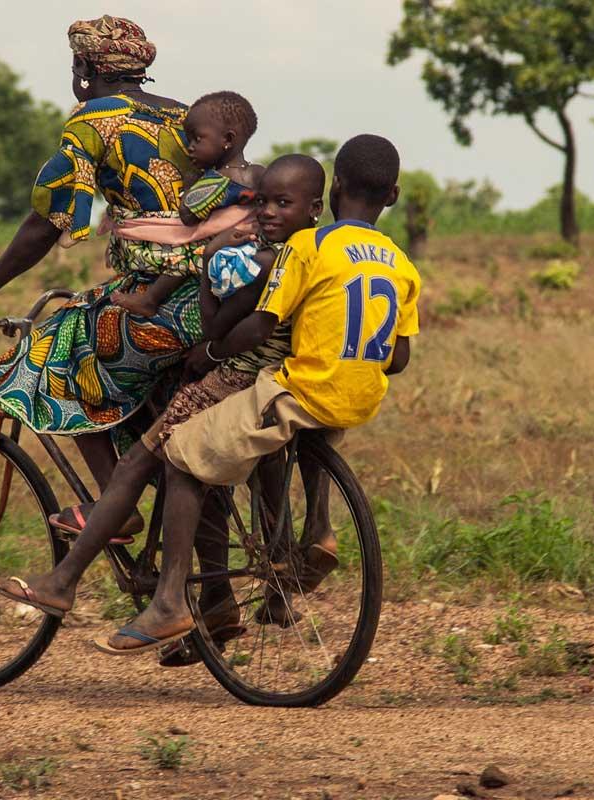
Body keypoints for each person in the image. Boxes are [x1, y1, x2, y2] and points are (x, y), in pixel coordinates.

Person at [0, 154, 330, 658]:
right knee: (183, 458)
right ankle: (213, 597)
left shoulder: (253, 258)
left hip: (234, 376)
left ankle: (72, 582)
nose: (268, 213)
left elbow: (221, 326)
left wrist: (212, 259)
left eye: (282, 204)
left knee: (138, 459)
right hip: (284, 378)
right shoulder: (307, 251)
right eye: (265, 203)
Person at [97, 134, 423, 653]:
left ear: (333, 190)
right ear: (394, 195)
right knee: (269, 437)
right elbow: (399, 358)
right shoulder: (401, 263)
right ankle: (310, 536)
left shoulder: (309, 246)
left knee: (181, 454)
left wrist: (214, 349)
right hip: (358, 396)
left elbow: (262, 323)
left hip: (301, 388)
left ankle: (168, 603)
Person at [0, 16, 202, 511]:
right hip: (216, 295)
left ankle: (112, 509)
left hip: (161, 300)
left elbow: (50, 217)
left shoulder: (93, 118)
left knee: (52, 352)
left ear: (84, 67)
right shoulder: (189, 117)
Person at [107, 91, 264, 320]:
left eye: (197, 139)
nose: (190, 147)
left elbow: (188, 215)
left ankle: (150, 300)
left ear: (228, 140)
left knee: (187, 251)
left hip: (223, 249)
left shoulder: (217, 178)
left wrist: (190, 184)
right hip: (253, 248)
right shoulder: (258, 172)